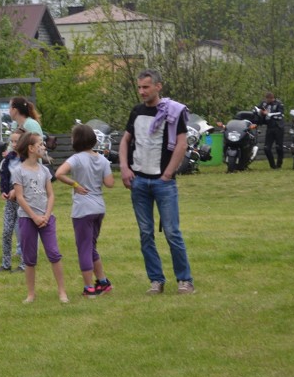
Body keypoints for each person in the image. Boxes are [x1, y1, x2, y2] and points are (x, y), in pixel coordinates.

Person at [119, 69, 195, 296]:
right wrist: (124, 167)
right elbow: (125, 141)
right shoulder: (136, 112)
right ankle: (156, 281)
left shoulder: (174, 112)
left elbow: (182, 144)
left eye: (146, 87)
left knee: (172, 232)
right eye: (139, 87)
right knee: (145, 233)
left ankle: (185, 280)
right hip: (139, 181)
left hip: (163, 183)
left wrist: (168, 174)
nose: (142, 91)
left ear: (158, 87)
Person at [55, 124, 116, 298]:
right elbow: (110, 183)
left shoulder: (76, 159)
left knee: (84, 248)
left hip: (82, 209)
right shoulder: (103, 160)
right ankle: (103, 282)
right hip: (98, 207)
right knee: (91, 246)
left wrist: (75, 184)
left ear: (77, 140)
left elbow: (59, 173)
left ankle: (89, 287)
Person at [11, 131, 68, 304]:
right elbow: (19, 197)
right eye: (40, 144)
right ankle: (31, 294)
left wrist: (46, 215)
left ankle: (62, 292)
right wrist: (34, 217)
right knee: (29, 258)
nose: (43, 147)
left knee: (54, 253)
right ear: (30, 148)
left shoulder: (45, 170)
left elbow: (51, 195)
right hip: (27, 219)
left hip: (46, 218)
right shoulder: (18, 171)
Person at [0, 128, 25, 273]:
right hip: (10, 202)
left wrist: (18, 190)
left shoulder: (29, 160)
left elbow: (29, 179)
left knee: (23, 233)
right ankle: (6, 263)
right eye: (12, 141)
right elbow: (4, 178)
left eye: (17, 141)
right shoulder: (8, 159)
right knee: (7, 232)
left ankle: (24, 264)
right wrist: (3, 191)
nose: (14, 144)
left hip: (25, 202)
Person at [257, 91, 285, 169]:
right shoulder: (264, 103)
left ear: (271, 98)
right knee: (266, 148)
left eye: (267, 99)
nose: (266, 101)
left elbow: (281, 114)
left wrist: (268, 113)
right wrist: (260, 112)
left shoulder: (278, 104)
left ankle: (279, 164)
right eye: (265, 99)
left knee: (279, 147)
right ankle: (272, 165)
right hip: (269, 128)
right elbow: (257, 108)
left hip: (278, 127)